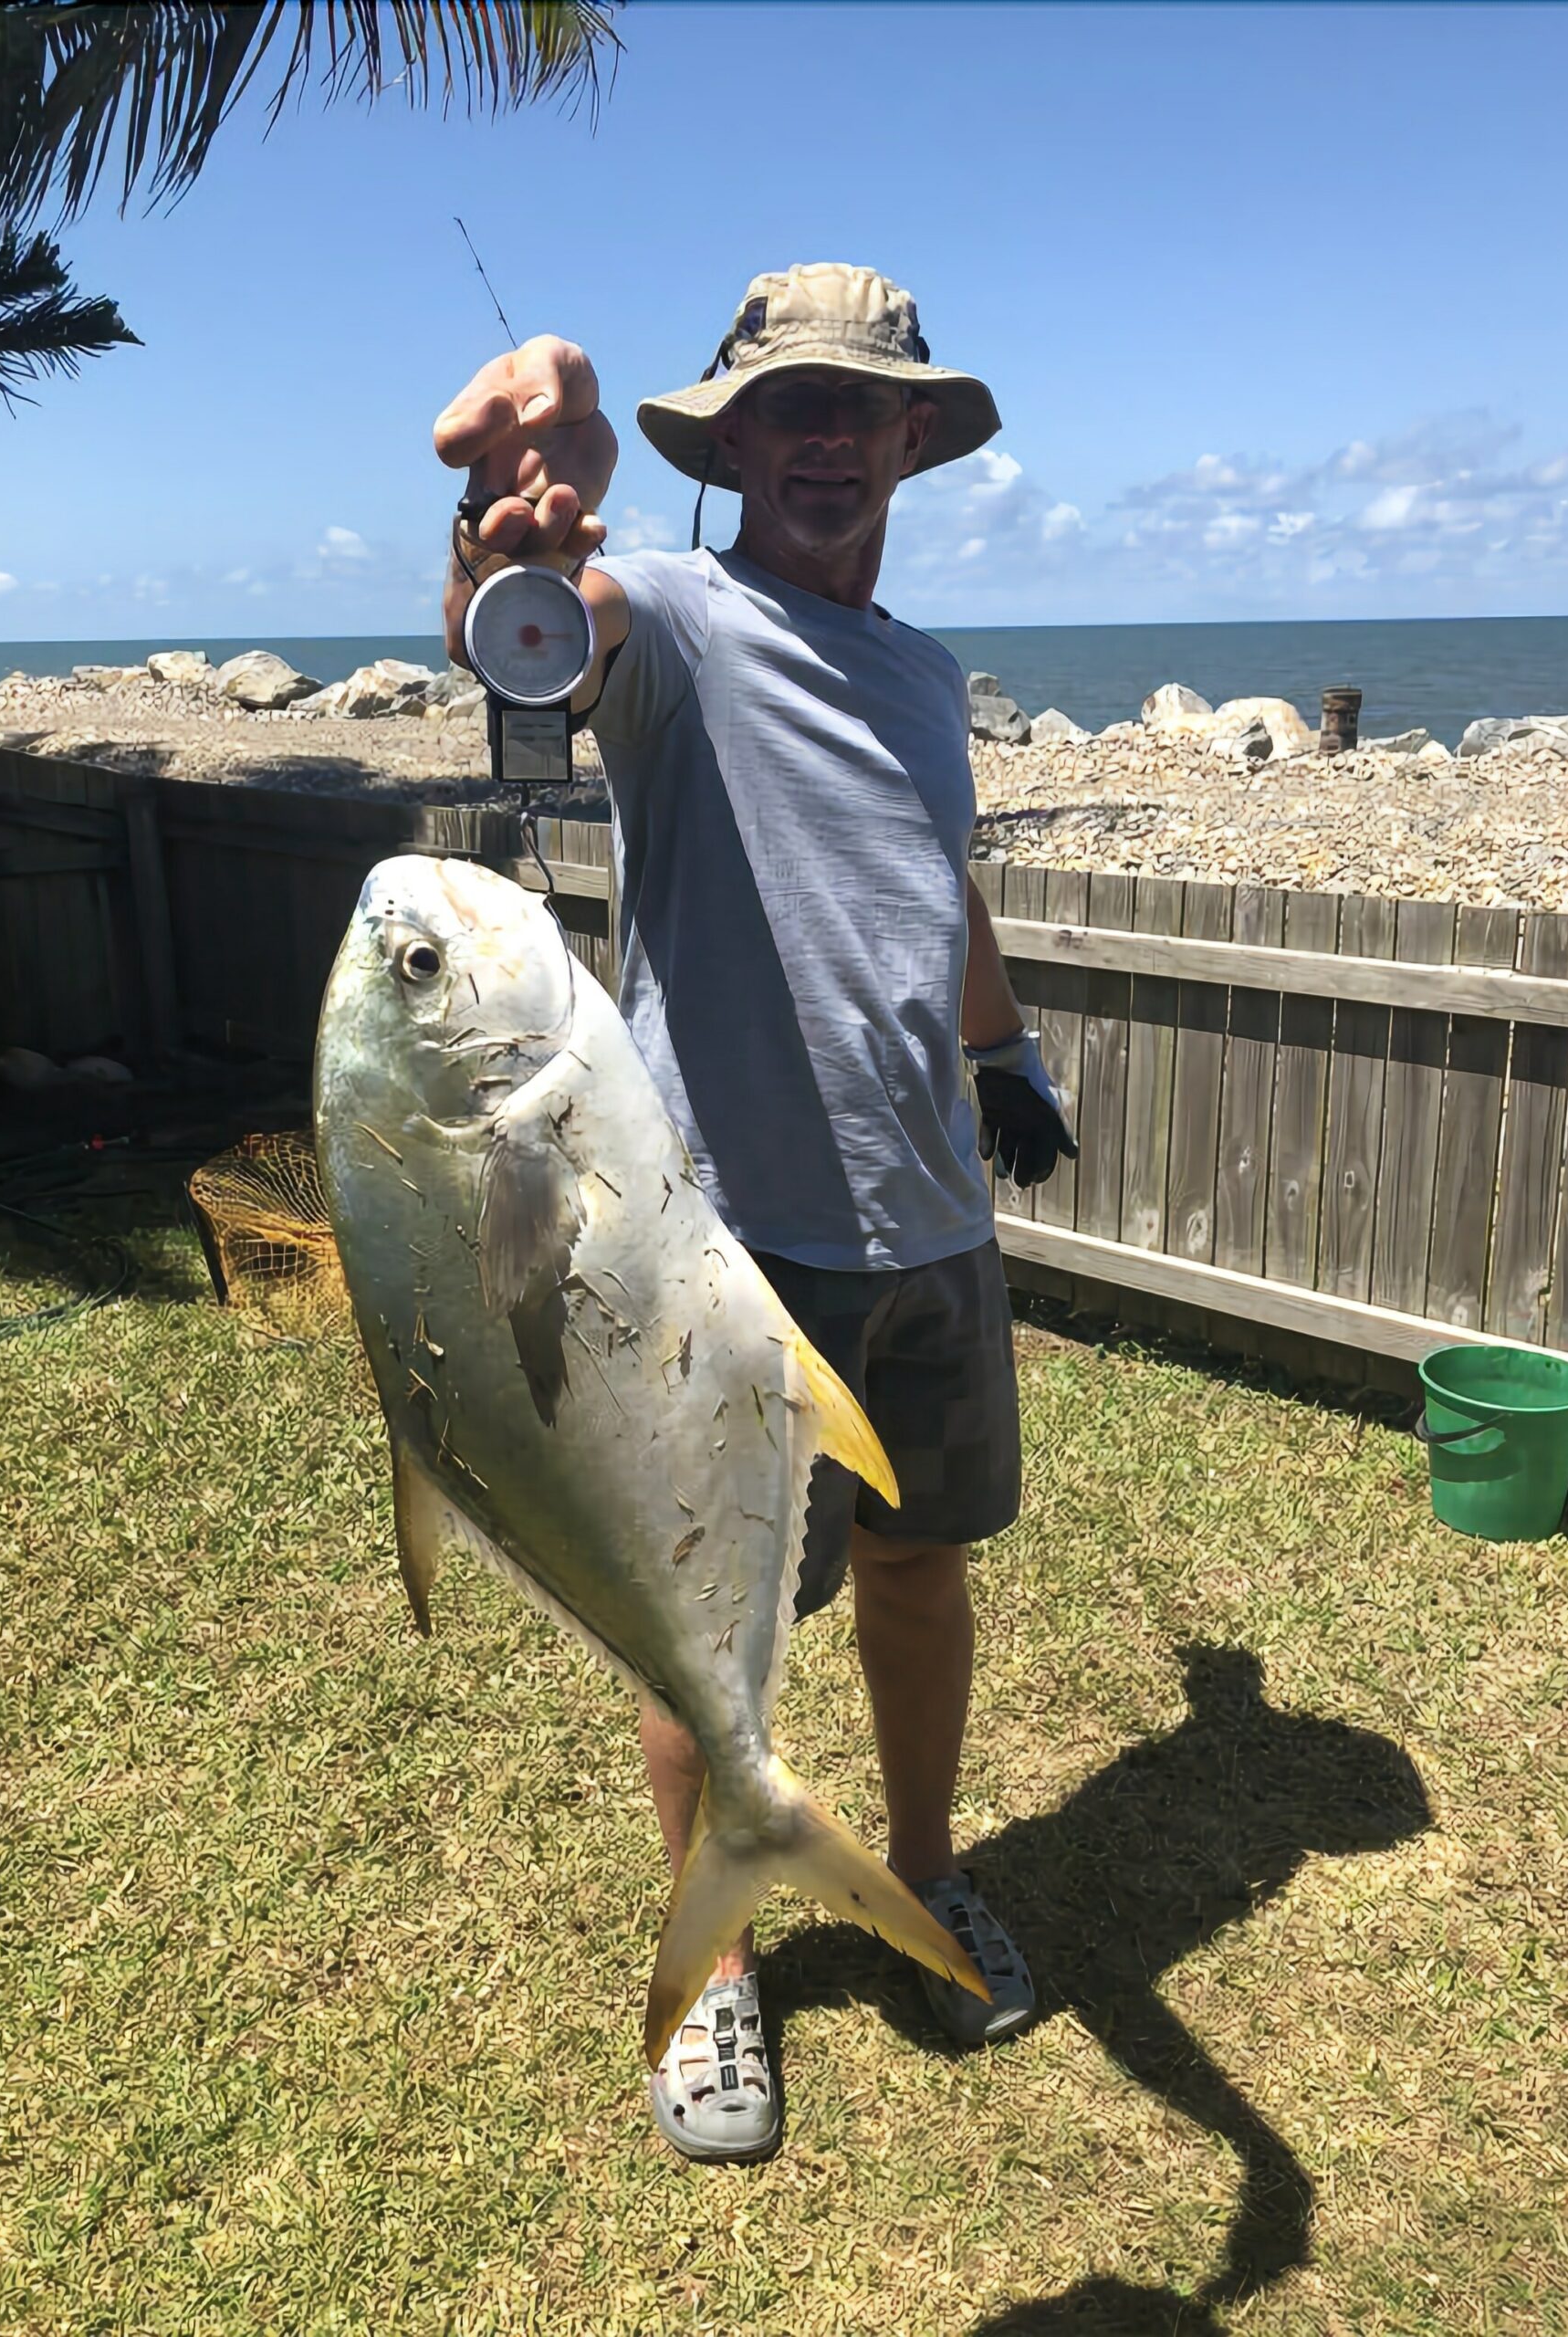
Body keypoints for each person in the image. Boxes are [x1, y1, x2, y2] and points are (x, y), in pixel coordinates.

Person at [433, 263, 1076, 2164]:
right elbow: (531, 645)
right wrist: (494, 533)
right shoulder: (689, 619)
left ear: (904, 443)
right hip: (722, 1243)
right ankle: (713, 1976)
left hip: (931, 1232)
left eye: (854, 406)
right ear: (729, 445)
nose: (820, 433)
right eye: (783, 404)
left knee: (918, 1567)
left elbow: (931, 877)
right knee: (703, 1642)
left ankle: (931, 1877)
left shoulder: (928, 675)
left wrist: (1008, 1048)